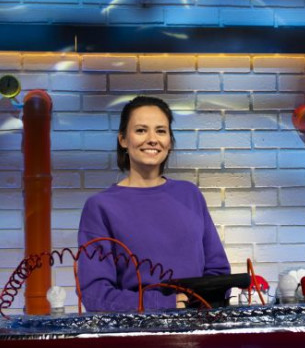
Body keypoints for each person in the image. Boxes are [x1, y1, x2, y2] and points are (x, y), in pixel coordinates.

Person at [77, 96, 229, 312]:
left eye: (161, 131)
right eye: (141, 130)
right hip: (137, 330)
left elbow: (218, 272)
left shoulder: (190, 194)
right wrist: (161, 304)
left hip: (198, 325)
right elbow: (95, 294)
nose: (152, 139)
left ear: (169, 141)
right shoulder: (100, 207)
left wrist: (198, 306)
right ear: (123, 139)